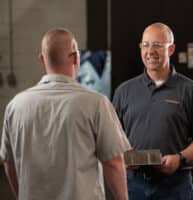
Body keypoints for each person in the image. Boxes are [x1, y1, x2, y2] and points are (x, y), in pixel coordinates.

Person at [0, 28, 131, 200]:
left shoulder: (15, 105)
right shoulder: (96, 103)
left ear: (42, 58)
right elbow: (113, 162)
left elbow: (8, 163)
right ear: (76, 57)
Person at [113, 22, 193, 200]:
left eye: (158, 45)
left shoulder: (192, 90)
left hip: (175, 186)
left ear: (171, 49)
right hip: (132, 185)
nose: (150, 51)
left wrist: (180, 158)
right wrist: (122, 155)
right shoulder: (124, 91)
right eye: (145, 45)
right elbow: (113, 137)